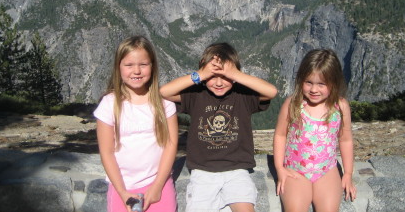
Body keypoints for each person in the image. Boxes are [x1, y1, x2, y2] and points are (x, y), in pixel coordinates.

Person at [160, 42, 278, 212]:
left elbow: (271, 92)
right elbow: (164, 92)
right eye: (212, 76)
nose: (219, 82)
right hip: (202, 171)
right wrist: (199, 75)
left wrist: (235, 74)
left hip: (237, 169)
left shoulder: (242, 95)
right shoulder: (196, 94)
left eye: (225, 76)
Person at [94, 36, 178, 212]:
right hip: (122, 186)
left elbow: (171, 144)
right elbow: (106, 152)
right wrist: (122, 191)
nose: (136, 71)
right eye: (129, 65)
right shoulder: (110, 104)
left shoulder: (164, 103)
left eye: (143, 64)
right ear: (118, 67)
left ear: (153, 66)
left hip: (158, 184)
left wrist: (158, 185)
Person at [273, 48, 356, 212]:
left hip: (326, 169)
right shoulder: (293, 104)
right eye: (308, 82)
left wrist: (347, 174)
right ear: (301, 80)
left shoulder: (340, 107)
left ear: (334, 83)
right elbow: (280, 135)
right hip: (295, 169)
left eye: (321, 84)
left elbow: (345, 139)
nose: (314, 89)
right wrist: (280, 169)